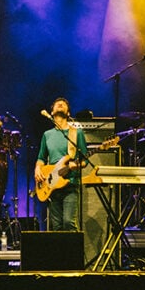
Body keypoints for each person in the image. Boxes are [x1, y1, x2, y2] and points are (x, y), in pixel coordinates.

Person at [34, 97, 89, 231]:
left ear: (68, 113)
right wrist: (37, 168)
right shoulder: (47, 135)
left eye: (64, 104)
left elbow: (85, 160)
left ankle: (73, 252)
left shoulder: (76, 133)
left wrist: (74, 165)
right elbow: (41, 158)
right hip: (52, 185)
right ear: (51, 112)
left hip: (70, 183)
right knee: (57, 227)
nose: (60, 103)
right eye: (57, 103)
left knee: (69, 223)